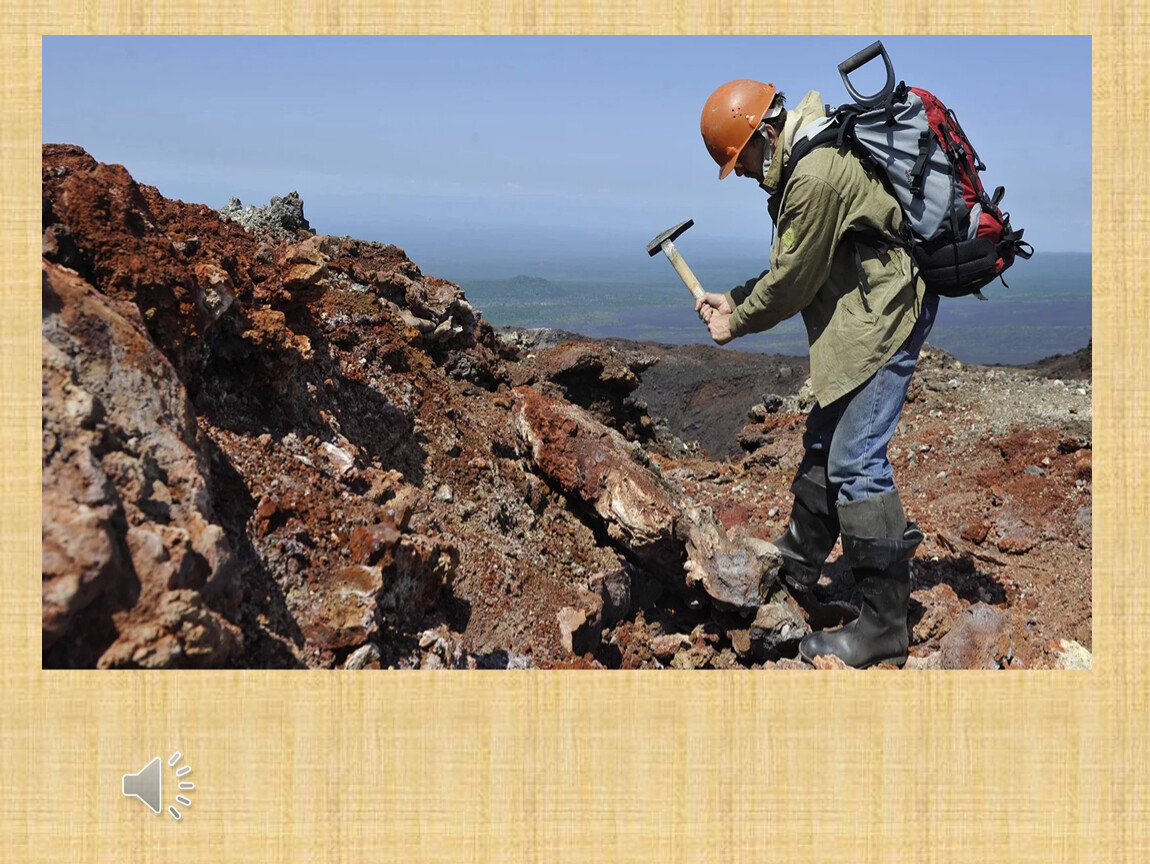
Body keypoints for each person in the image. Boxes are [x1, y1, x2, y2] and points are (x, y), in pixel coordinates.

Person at [696, 79, 939, 669]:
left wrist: (738, 320)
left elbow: (794, 281)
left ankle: (884, 626)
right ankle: (801, 561)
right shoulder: (805, 161)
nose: (747, 173)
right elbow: (795, 263)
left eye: (742, 159)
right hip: (860, 314)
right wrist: (733, 297)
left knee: (856, 459)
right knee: (826, 437)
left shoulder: (814, 175)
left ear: (764, 134)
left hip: (886, 316)